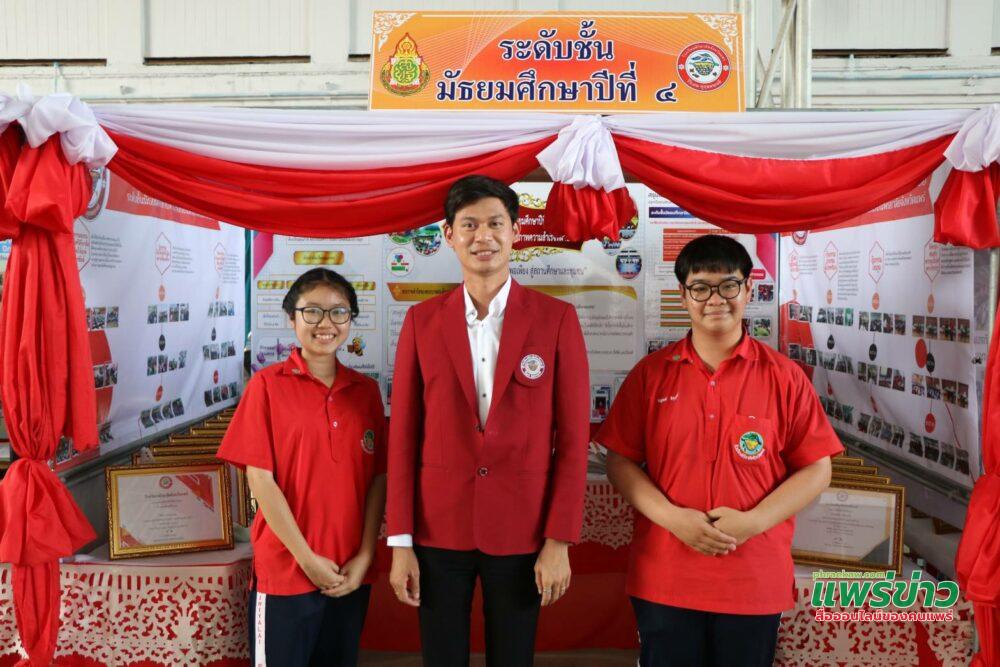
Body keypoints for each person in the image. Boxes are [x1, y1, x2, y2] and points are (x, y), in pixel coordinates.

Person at [597, 235, 842, 666]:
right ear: (683, 295)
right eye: (701, 287)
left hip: (752, 578)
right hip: (666, 576)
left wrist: (753, 522)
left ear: (749, 290)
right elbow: (619, 461)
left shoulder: (784, 377)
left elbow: (817, 469)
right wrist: (673, 518)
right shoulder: (651, 375)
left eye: (728, 285)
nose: (716, 299)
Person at [386, 175, 590, 666]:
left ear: (515, 232)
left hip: (523, 527)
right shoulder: (422, 321)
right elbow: (403, 436)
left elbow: (573, 439)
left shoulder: (555, 319)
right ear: (449, 234)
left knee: (514, 656)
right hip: (438, 528)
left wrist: (558, 538)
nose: (484, 236)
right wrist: (401, 542)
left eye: (496, 223)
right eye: (470, 224)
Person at [218, 268, 386, 666]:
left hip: (349, 572)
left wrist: (365, 556)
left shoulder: (365, 392)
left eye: (338, 312)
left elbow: (378, 479)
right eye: (312, 311)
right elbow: (260, 480)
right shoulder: (266, 386)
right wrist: (307, 559)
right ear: (291, 318)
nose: (325, 323)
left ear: (351, 320)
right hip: (286, 571)